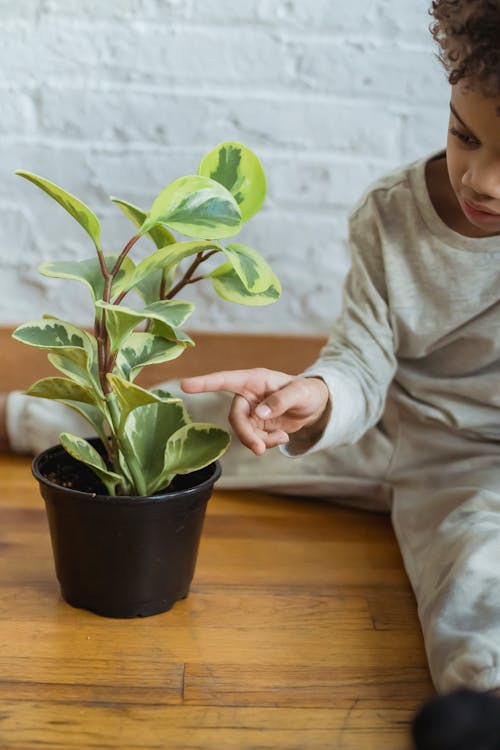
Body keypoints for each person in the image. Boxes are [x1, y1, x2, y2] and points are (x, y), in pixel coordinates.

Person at [3, 1, 500, 745]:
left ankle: (485, 706)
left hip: (475, 466)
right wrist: (321, 394)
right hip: (380, 420)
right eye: (465, 135)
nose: (483, 178)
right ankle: (17, 416)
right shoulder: (392, 214)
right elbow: (363, 352)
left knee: (474, 572)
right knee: (161, 425)